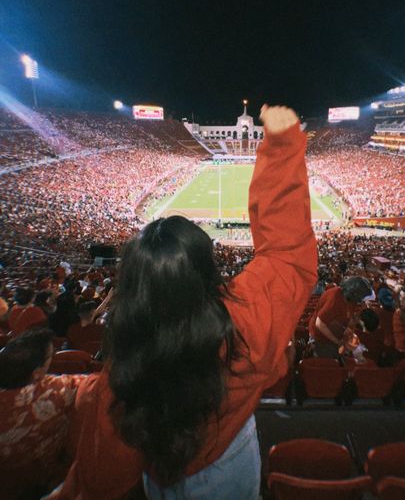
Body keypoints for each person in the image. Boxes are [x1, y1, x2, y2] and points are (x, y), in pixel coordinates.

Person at [52, 104, 317, 500]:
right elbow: (286, 253)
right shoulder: (247, 321)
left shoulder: (123, 375)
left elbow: (103, 475)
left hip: (164, 479)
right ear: (207, 269)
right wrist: (281, 147)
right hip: (233, 467)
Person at [0, 328, 85, 500]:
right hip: (47, 483)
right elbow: (95, 382)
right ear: (36, 372)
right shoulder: (56, 391)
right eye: (50, 358)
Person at [308, 276, 373, 358]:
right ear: (354, 293)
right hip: (321, 338)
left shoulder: (352, 300)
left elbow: (349, 318)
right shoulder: (334, 297)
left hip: (336, 334)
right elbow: (320, 324)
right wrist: (338, 342)